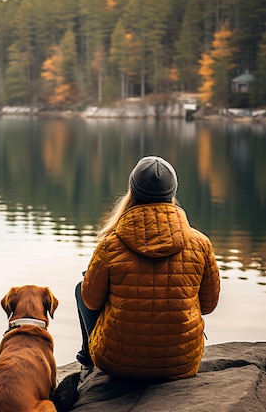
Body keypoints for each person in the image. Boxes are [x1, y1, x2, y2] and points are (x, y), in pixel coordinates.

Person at [75, 155, 220, 381]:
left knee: (81, 287)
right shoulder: (200, 244)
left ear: (132, 191)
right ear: (172, 193)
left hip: (116, 362)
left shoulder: (110, 244)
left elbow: (91, 302)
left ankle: (86, 362)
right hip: (181, 362)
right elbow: (208, 306)